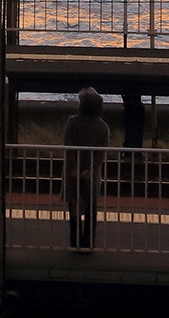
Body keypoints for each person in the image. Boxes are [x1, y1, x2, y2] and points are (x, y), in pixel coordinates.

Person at [62, 87, 110, 250]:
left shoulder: (72, 122)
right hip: (92, 174)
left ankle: (74, 242)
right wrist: (91, 169)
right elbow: (100, 154)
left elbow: (68, 146)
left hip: (71, 172)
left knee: (74, 206)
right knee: (91, 208)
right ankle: (88, 243)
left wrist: (75, 168)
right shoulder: (103, 127)